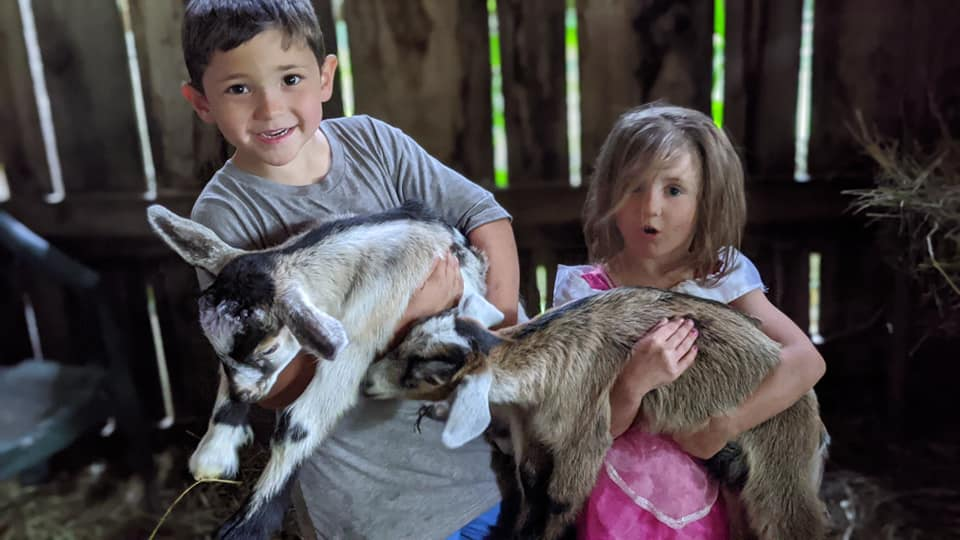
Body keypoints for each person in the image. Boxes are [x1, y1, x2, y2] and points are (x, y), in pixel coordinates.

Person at [179, 1, 520, 538]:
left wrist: (491, 336)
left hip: (485, 471)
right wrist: (407, 318)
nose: (270, 109)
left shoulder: (373, 144)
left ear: (325, 78)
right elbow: (272, 384)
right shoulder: (225, 217)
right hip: (373, 502)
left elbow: (485, 218)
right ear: (200, 102)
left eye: (290, 78)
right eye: (238, 89)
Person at [553, 103, 827, 539]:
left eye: (674, 190)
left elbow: (806, 361)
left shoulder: (722, 278)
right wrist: (632, 383)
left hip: (707, 487)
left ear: (707, 200)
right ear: (608, 192)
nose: (650, 209)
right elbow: (583, 428)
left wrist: (724, 426)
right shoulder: (586, 294)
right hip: (618, 496)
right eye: (634, 187)